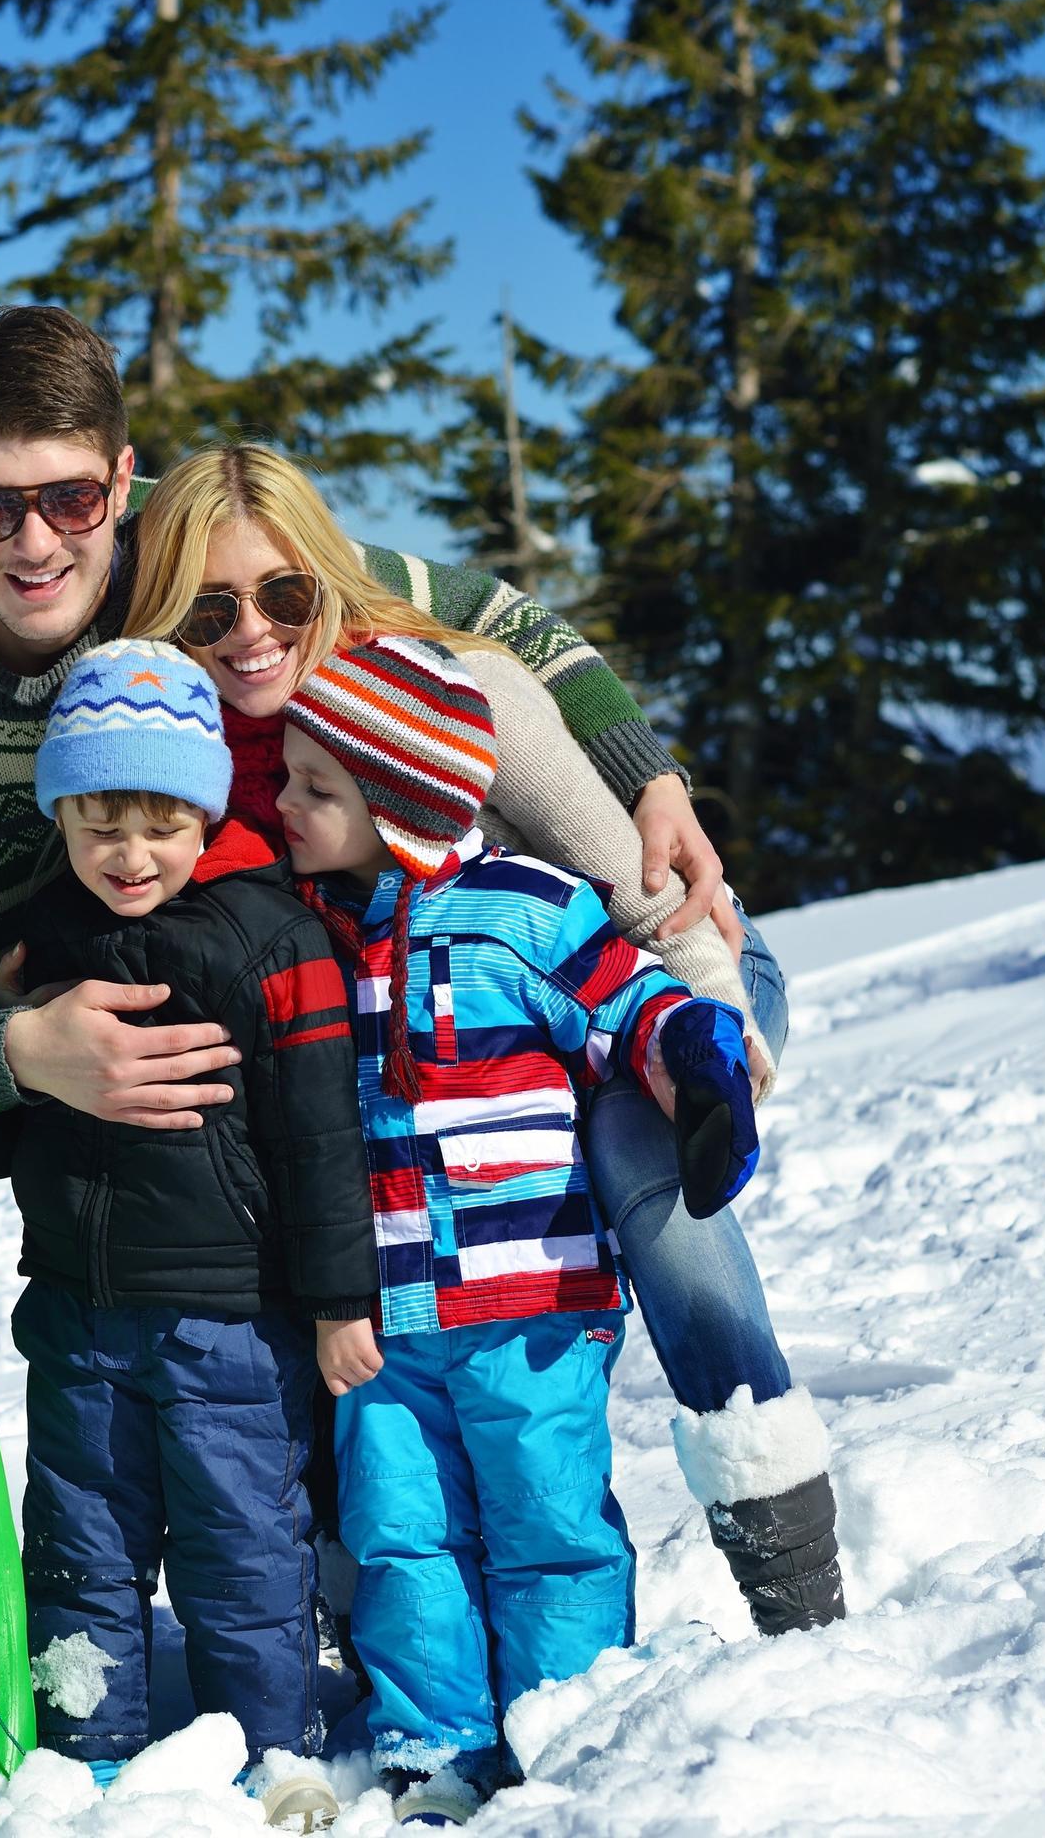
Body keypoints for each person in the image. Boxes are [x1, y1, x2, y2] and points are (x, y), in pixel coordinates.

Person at [0, 307, 719, 1210]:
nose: (35, 542)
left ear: (119, 477)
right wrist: (12, 1047)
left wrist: (648, 776)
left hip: (104, 916)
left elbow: (494, 614)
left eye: (69, 499)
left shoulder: (198, 543)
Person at [123, 443, 845, 1639]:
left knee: (635, 1156)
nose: (250, 630)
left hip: (645, 962)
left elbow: (649, 895)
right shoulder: (201, 757)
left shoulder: (453, 694)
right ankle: (390, 1602)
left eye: (284, 596)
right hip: (463, 1021)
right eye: (211, 607)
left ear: (329, 581)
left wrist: (709, 1039)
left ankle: (790, 1567)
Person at [277, 636, 760, 1826]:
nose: (284, 804)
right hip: (386, 1321)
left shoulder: (532, 909)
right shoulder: (309, 941)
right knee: (403, 1535)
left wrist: (695, 1063)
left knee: (546, 1519)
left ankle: (570, 1721)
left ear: (398, 805)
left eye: (314, 787)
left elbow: (630, 1006)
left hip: (533, 1305)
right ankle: (429, 1742)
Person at [0, 640, 372, 1802]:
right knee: (79, 1543)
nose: (129, 853)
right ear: (62, 813)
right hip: (76, 1303)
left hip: (230, 1320)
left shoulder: (275, 941)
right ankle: (84, 1751)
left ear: (206, 814)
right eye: (100, 821)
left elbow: (320, 1142)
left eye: (160, 822)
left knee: (243, 1549)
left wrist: (336, 1301)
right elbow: (14, 1116)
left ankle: (273, 1753)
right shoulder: (43, 938)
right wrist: (4, 1019)